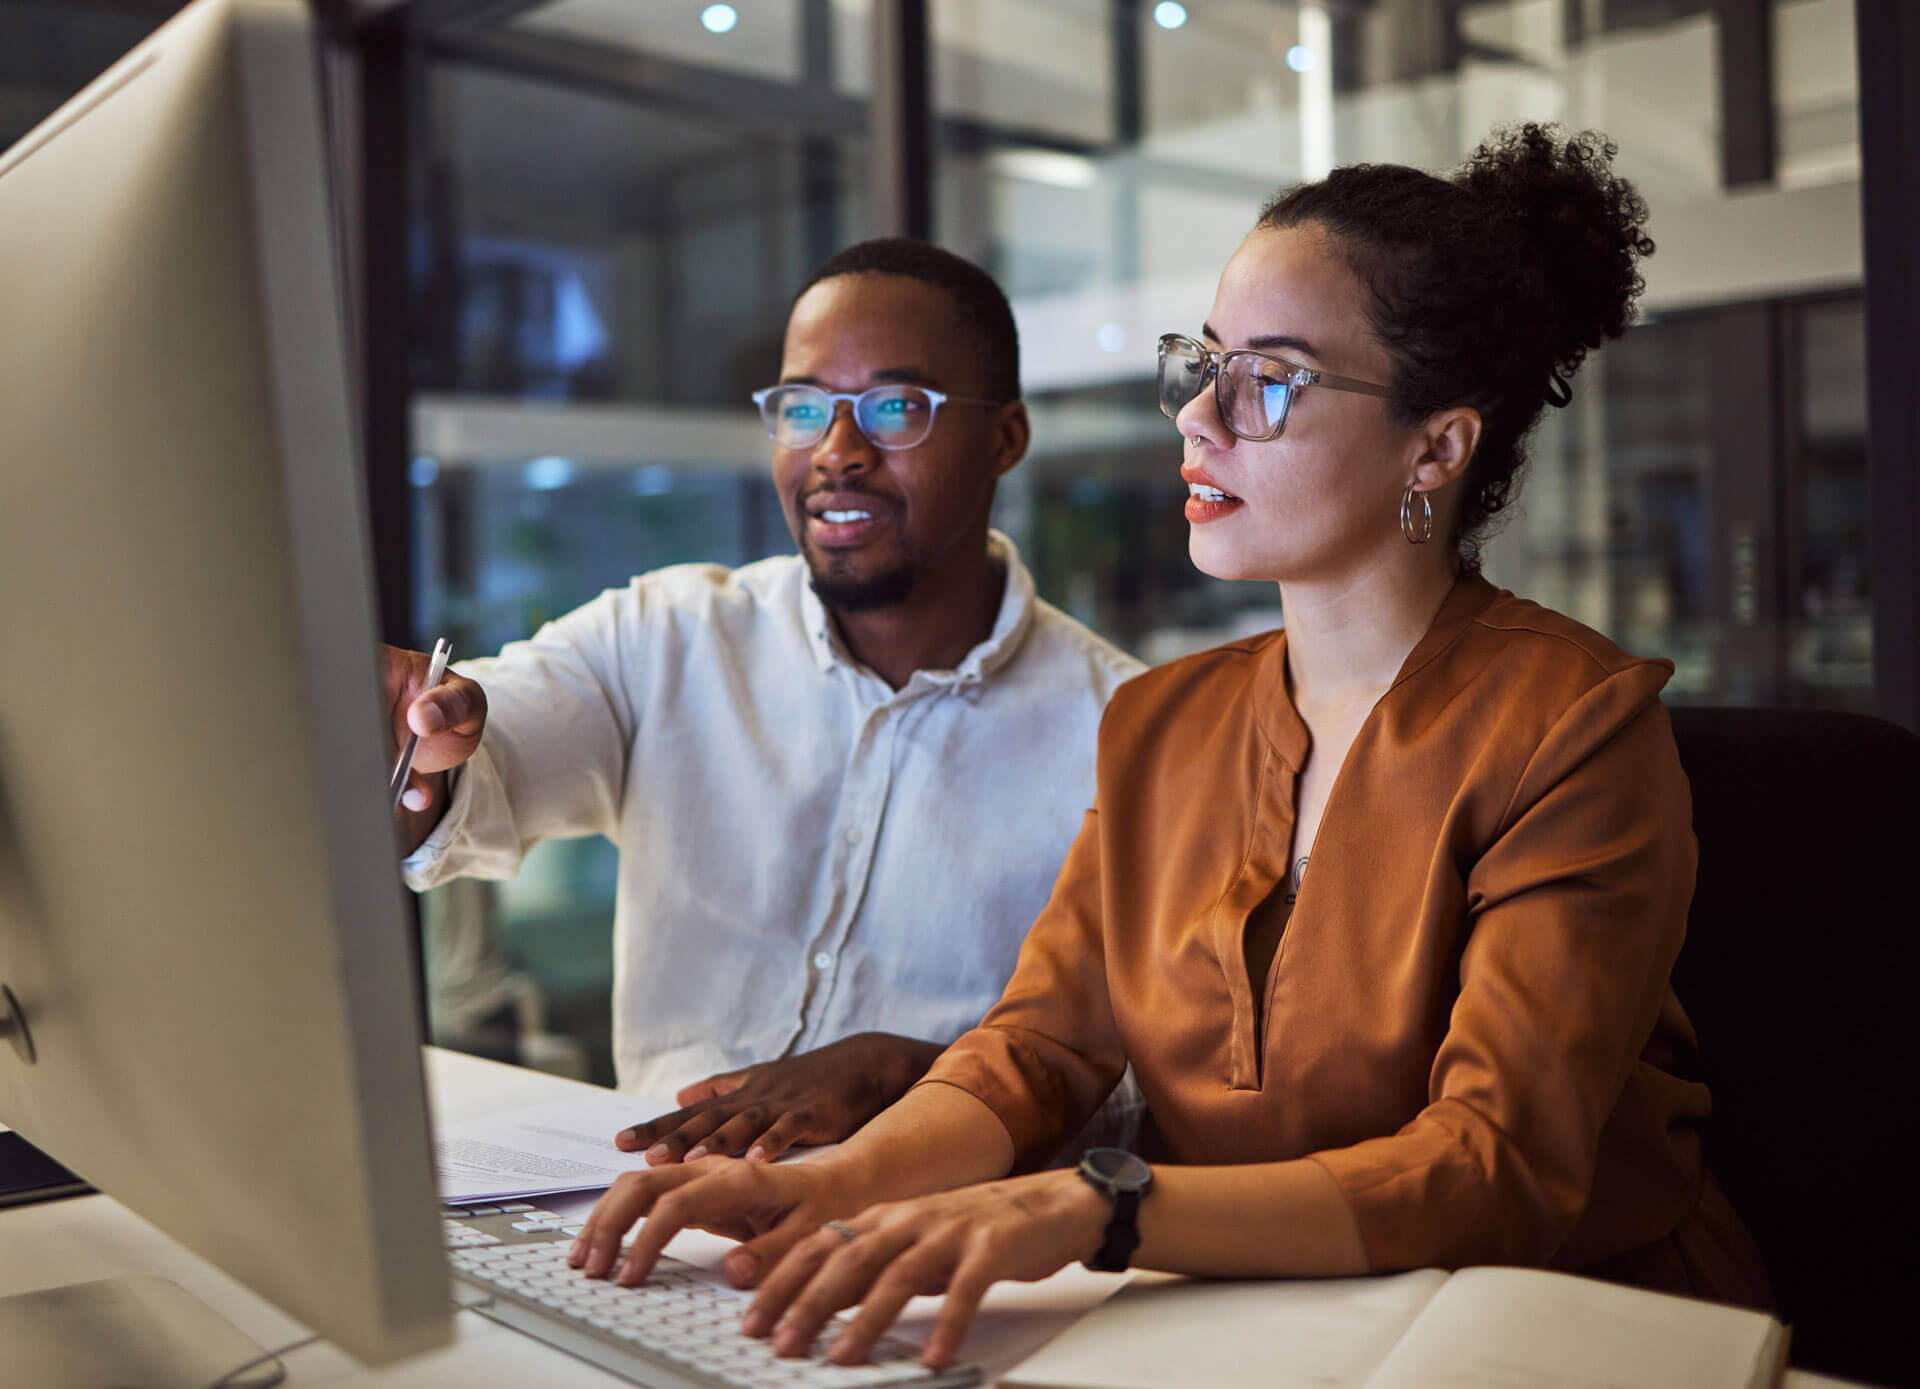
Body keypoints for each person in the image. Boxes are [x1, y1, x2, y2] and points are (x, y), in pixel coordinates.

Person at [563, 124, 1774, 1370]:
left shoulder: (1572, 727)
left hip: (1543, 1329)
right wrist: (840, 1185)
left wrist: (1101, 1206)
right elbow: (1041, 1045)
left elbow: (1496, 1164)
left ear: (1436, 446)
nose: (1199, 416)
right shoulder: (1163, 721)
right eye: (1202, 364)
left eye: (1271, 378)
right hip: (1230, 1313)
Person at [385, 238, 1143, 1162]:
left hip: (934, 1236)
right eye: (803, 406)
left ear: (1005, 439)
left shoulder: (1129, 732)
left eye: (896, 407)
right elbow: (489, 756)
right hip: (650, 1204)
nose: (838, 452)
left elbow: (1146, 1089)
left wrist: (918, 1073)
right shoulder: (664, 635)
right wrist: (421, 735)